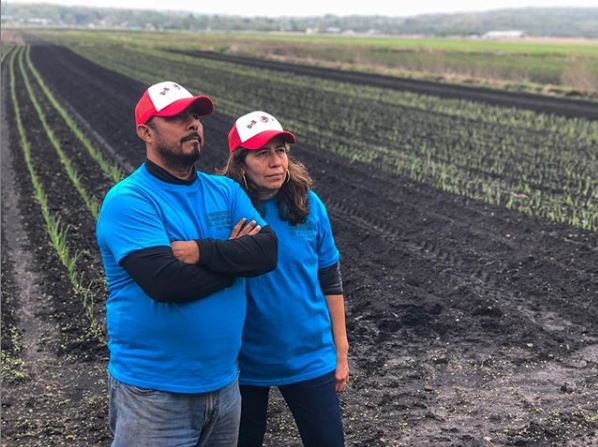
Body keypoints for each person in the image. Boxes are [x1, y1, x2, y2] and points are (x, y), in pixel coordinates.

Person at [96, 82, 278, 447]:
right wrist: (233, 258)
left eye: (195, 115)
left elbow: (267, 252)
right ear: (145, 131)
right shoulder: (131, 200)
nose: (192, 123)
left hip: (225, 388)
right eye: (177, 117)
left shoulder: (225, 191)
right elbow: (167, 283)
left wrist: (203, 252)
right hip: (154, 396)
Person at [219, 111, 350, 446]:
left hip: (309, 354)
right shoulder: (225, 212)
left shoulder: (307, 204)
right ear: (240, 161)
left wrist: (341, 350)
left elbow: (329, 278)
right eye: (262, 153)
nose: (276, 162)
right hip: (244, 360)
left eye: (281, 150)